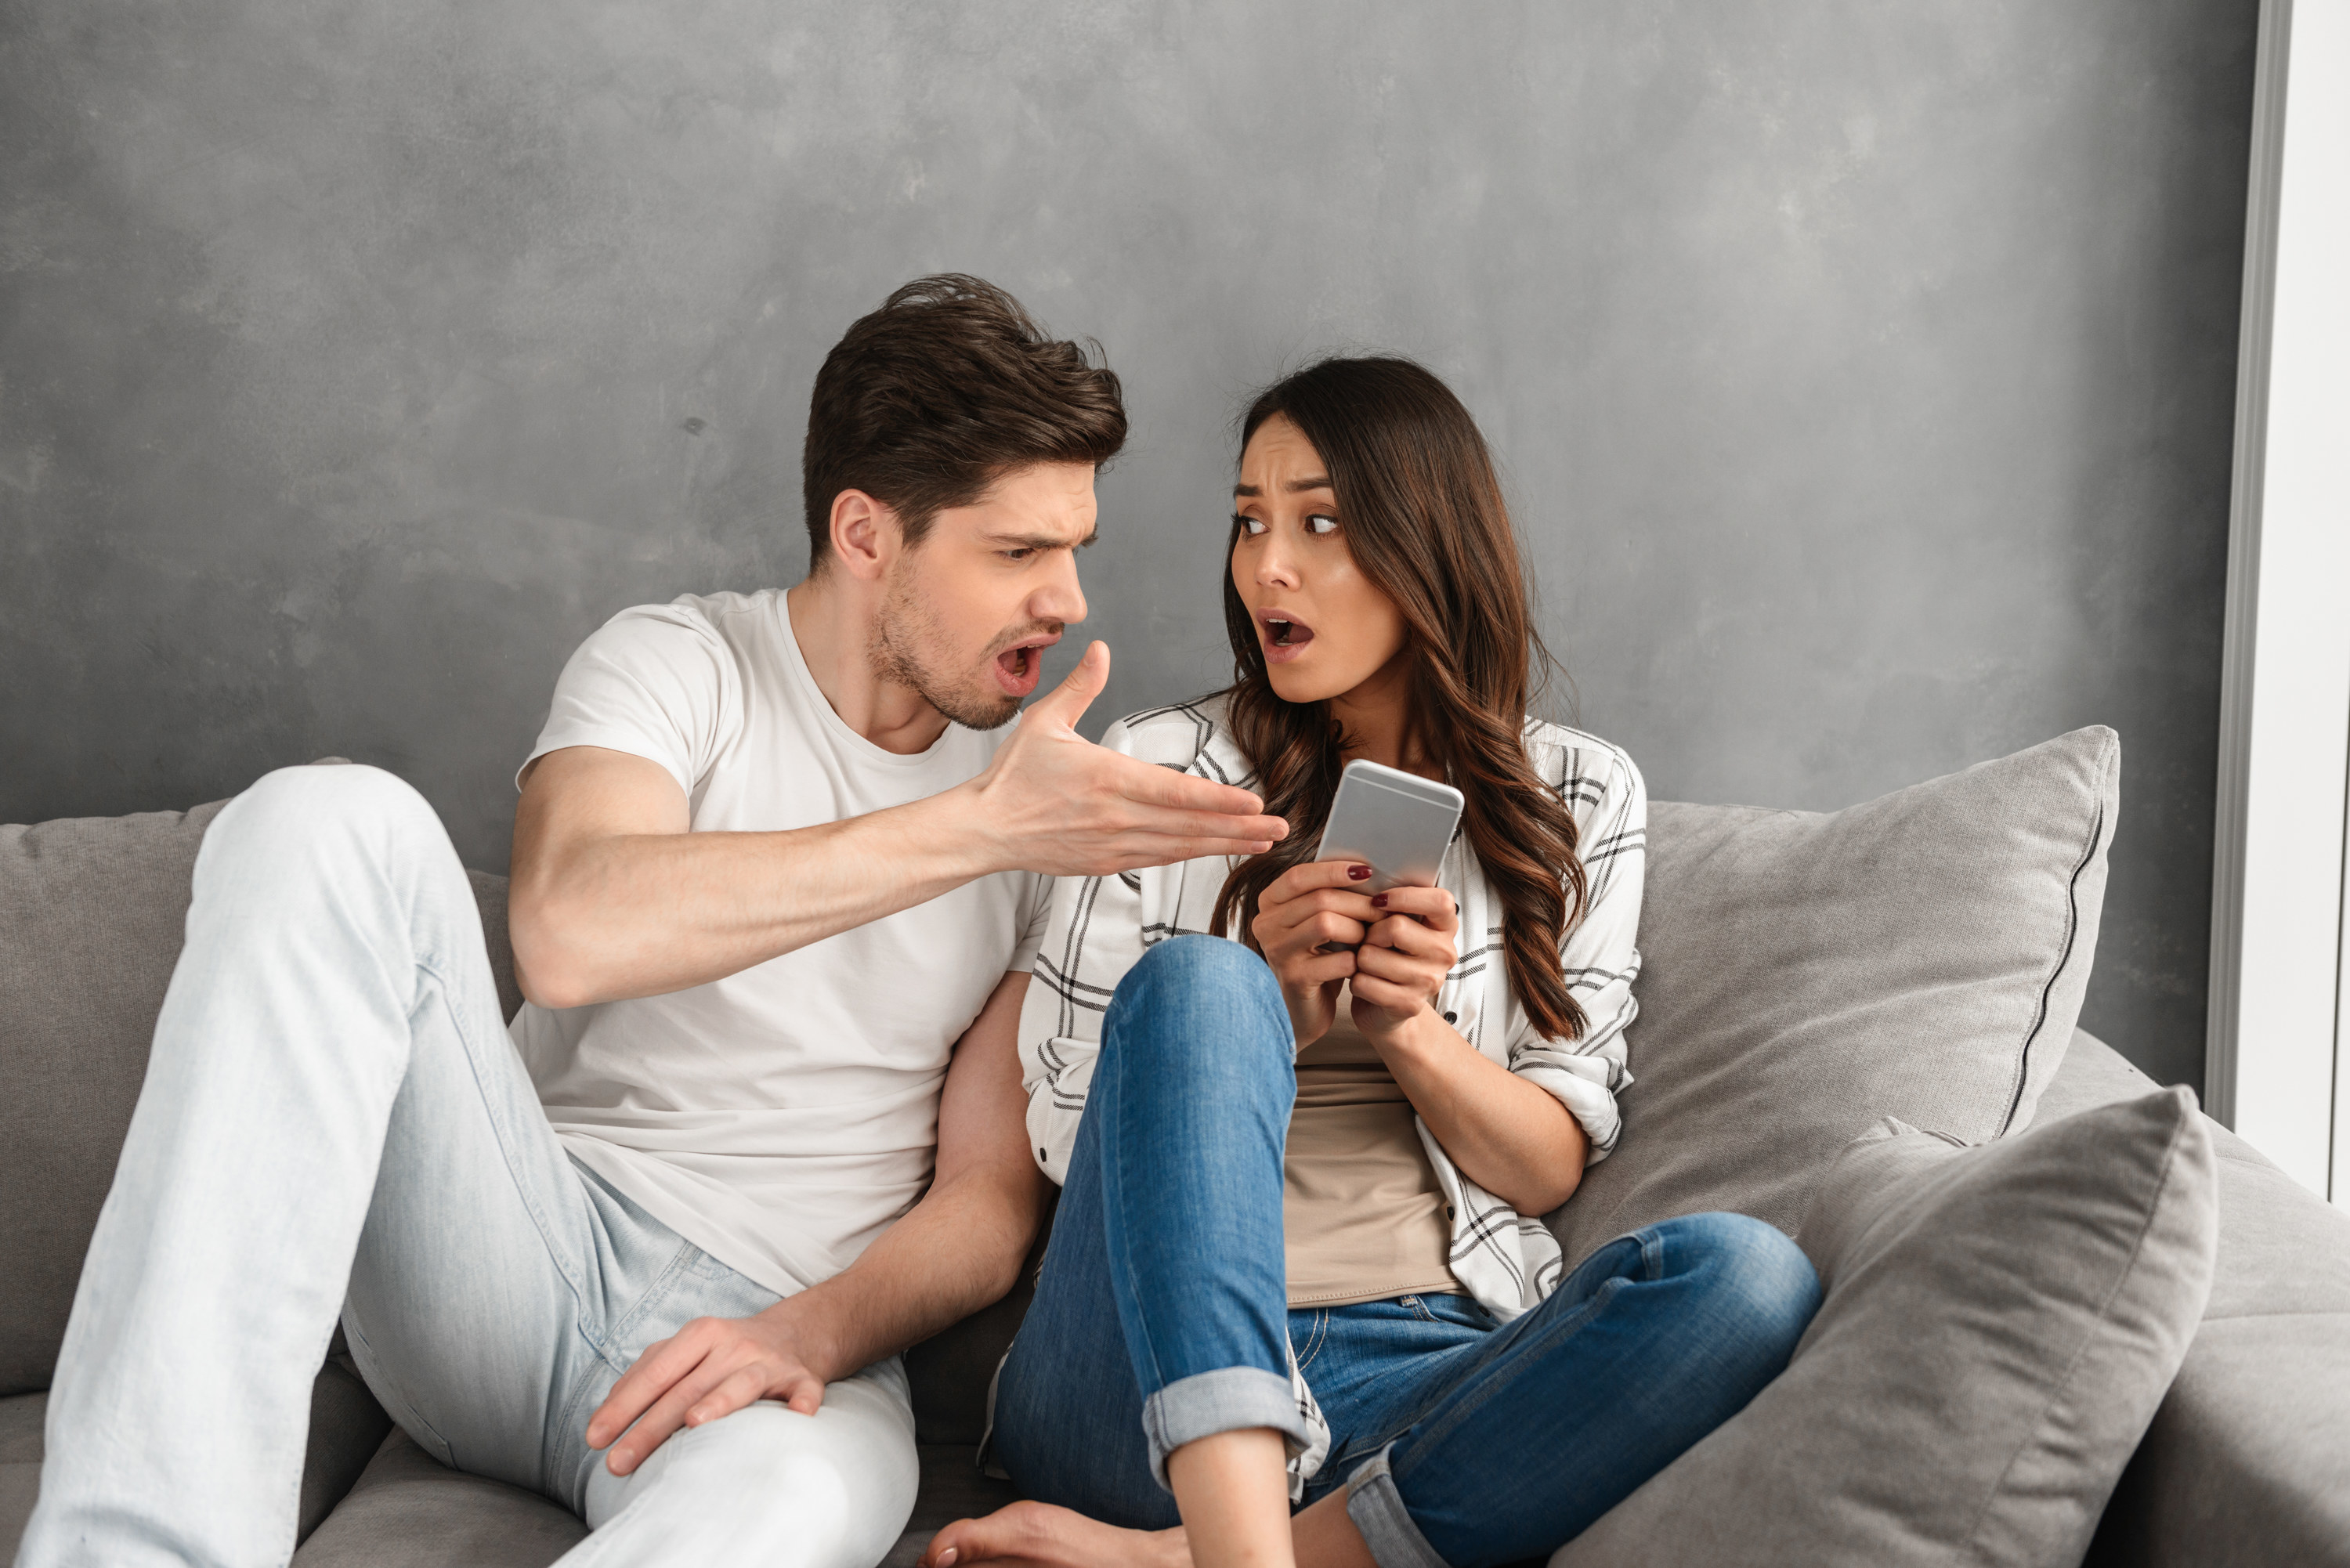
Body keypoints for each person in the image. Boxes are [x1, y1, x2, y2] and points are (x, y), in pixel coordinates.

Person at [16, 276, 1289, 1568]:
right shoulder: (681, 665)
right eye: (1017, 553)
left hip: (774, 1336)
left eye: (1074, 548)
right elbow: (569, 932)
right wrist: (976, 828)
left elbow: (987, 1200)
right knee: (322, 822)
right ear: (865, 535)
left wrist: (812, 1334)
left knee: (791, 1510)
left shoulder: (1041, 813)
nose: (1067, 599)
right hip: (514, 1249)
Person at [924, 357, 1823, 1568]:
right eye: (1249, 520)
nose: (1266, 565)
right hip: (1134, 1383)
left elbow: (1551, 1159)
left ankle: (1184, 1560)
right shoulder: (1156, 764)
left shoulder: (1579, 792)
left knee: (1749, 1278)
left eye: (1321, 521)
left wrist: (1414, 1034)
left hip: (1421, 1368)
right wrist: (1273, 1006)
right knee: (1205, 982)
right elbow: (1077, 1136)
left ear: (1424, 544)